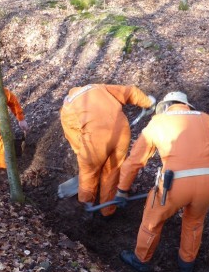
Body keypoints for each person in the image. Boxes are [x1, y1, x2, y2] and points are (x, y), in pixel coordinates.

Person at [114, 91, 209, 272]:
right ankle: (186, 265)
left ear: (165, 106)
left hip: (174, 184)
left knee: (152, 220)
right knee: (194, 222)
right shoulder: (207, 119)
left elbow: (134, 161)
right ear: (186, 106)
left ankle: (140, 260)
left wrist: (122, 190)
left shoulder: (158, 122)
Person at [60, 84, 156, 218]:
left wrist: (86, 159)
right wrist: (148, 102)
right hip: (122, 132)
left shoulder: (67, 107)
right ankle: (108, 211)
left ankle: (86, 210)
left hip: (96, 141)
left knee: (88, 174)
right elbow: (129, 91)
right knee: (112, 172)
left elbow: (74, 138)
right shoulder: (98, 87)